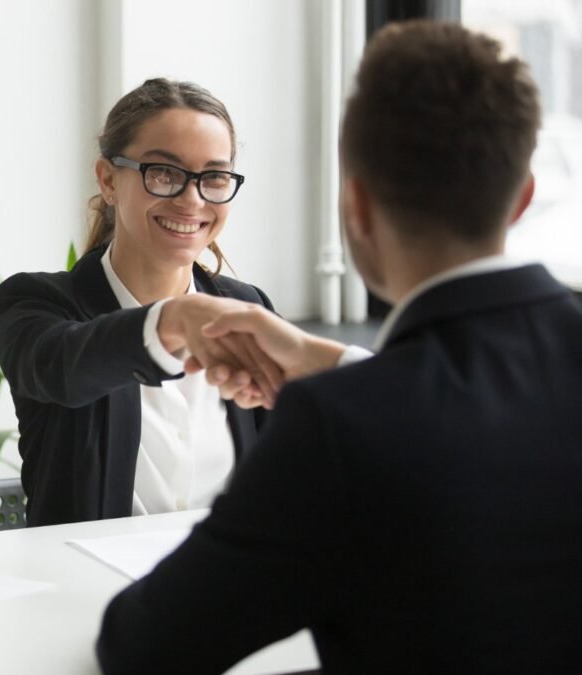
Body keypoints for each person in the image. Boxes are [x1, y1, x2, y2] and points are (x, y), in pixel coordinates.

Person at [97, 20, 582, 674]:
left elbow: (146, 644)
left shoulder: (340, 427)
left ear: (354, 206)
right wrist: (335, 366)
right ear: (522, 196)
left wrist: (342, 388)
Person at [0, 78, 301, 527]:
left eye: (213, 177)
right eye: (164, 173)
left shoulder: (248, 306)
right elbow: (62, 368)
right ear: (108, 179)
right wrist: (172, 320)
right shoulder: (36, 304)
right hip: (86, 592)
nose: (192, 200)